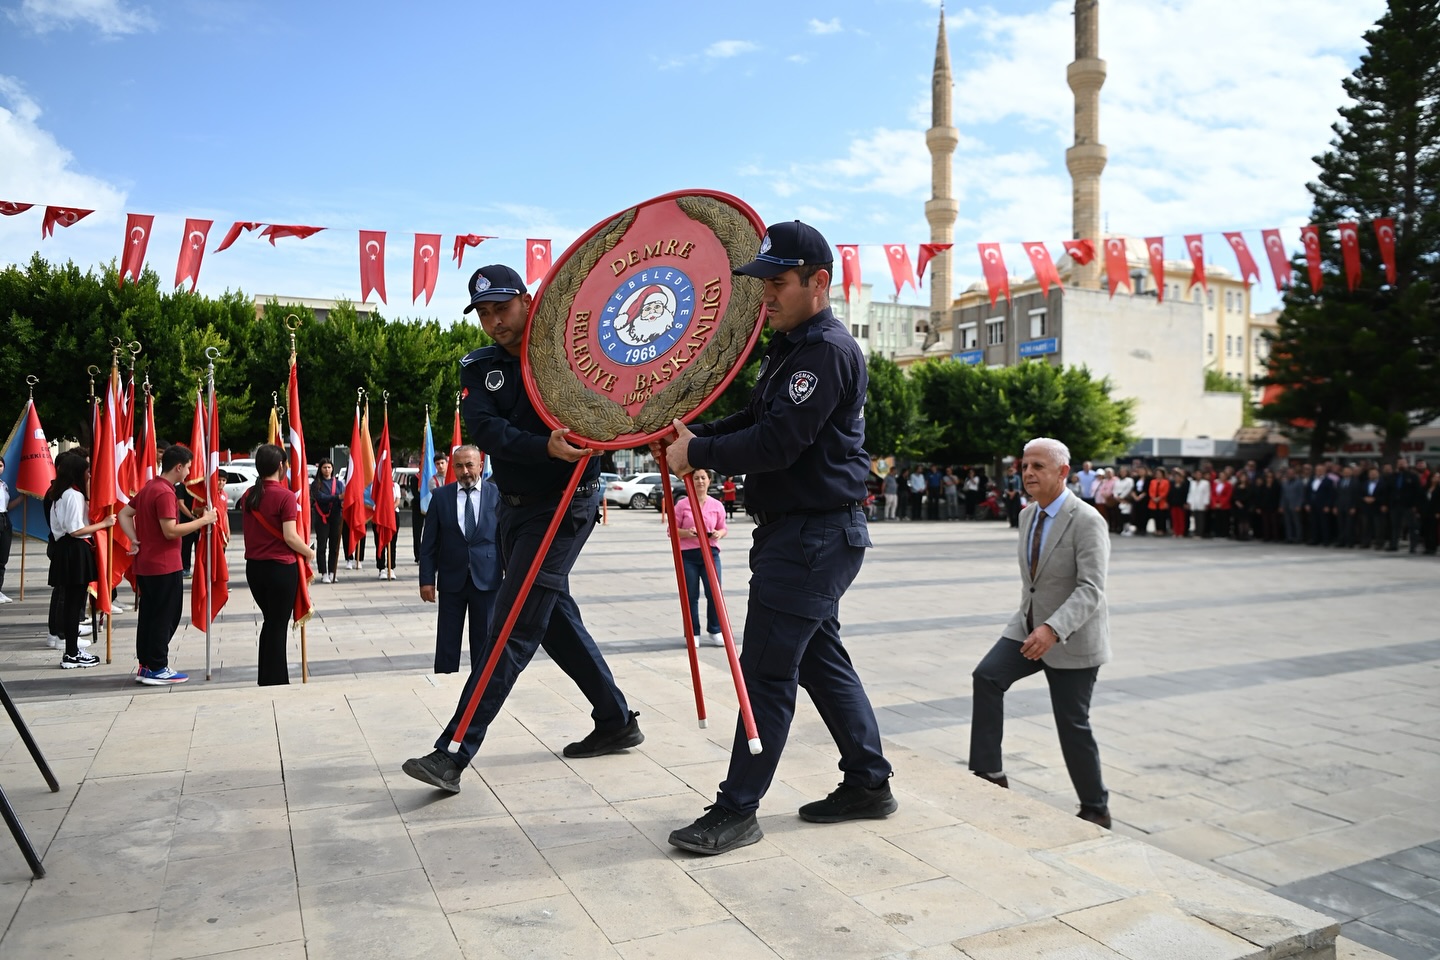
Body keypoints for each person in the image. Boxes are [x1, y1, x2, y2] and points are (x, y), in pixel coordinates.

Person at [662, 220, 895, 856]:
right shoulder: (791, 347)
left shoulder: (825, 351)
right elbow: (756, 417)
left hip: (811, 538)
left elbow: (778, 442)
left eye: (778, 282)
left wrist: (698, 452)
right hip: (805, 535)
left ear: (819, 282)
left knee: (765, 673)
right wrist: (694, 433)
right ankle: (869, 782)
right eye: (762, 282)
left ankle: (736, 810)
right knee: (820, 661)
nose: (765, 294)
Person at [402, 264, 641, 795]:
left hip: (566, 503)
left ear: (529, 301)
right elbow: (485, 430)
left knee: (512, 623)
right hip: (512, 509)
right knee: (551, 617)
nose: (494, 322)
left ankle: (453, 751)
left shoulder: (571, 353)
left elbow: (612, 404)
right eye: (484, 313)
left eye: (503, 309)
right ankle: (616, 719)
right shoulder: (478, 366)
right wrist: (542, 447)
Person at [968, 437, 1112, 829]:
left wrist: (1053, 628)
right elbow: (1033, 586)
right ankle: (989, 774)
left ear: (1063, 472)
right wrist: (1034, 625)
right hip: (1027, 628)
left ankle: (1096, 807)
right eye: (1025, 466)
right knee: (987, 676)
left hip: (1072, 637)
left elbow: (1091, 589)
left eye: (1038, 466)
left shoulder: (1087, 520)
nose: (1028, 473)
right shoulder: (1027, 515)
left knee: (1072, 723)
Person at [117, 444, 217, 684]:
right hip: (164, 565)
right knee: (166, 616)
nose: (190, 473)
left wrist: (134, 539)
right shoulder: (164, 492)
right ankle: (157, 665)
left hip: (147, 564)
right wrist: (204, 521)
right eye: (189, 468)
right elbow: (170, 531)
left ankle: (146, 665)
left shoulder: (151, 486)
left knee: (150, 616)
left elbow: (123, 514)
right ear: (178, 467)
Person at [419, 445, 500, 674]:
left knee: (485, 639)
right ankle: (445, 680)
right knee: (447, 638)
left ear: (480, 466)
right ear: (452, 468)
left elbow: (506, 537)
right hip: (451, 579)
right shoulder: (440, 497)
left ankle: (482, 683)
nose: (464, 471)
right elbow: (429, 543)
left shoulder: (497, 495)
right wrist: (426, 580)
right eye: (459, 466)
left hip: (487, 579)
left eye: (469, 465)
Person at [241, 444, 315, 686]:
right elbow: (290, 537)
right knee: (276, 624)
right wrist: (309, 552)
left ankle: (268, 677)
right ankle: (275, 680)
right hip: (280, 569)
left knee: (271, 621)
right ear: (281, 466)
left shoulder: (248, 495)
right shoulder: (285, 496)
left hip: (254, 569)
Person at [45, 449, 113, 668]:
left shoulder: (61, 493)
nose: (89, 475)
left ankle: (71, 650)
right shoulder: (73, 495)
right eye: (87, 471)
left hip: (66, 549)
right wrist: (104, 524)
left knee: (72, 604)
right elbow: (75, 530)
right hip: (74, 549)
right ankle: (72, 653)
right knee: (74, 604)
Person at [671, 469, 728, 647]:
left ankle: (715, 630)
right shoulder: (682, 505)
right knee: (691, 595)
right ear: (690, 481)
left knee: (714, 593)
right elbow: (671, 530)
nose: (700, 481)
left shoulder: (717, 505)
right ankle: (692, 633)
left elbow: (723, 528)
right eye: (696, 478)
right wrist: (686, 532)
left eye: (703, 478)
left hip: (710, 553)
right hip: (688, 555)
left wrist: (718, 533)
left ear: (709, 480)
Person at [310, 458, 344, 582]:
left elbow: (342, 499)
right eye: (324, 467)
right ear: (320, 469)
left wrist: (342, 502)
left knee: (334, 546)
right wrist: (337, 497)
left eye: (329, 467)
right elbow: (320, 497)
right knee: (322, 546)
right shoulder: (316, 484)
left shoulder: (339, 483)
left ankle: (332, 572)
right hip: (321, 518)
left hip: (336, 517)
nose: (327, 470)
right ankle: (323, 572)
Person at [411, 452, 449, 563]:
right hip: (435, 510)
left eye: (442, 463)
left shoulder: (453, 477)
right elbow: (439, 495)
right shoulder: (432, 480)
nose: (440, 466)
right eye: (438, 464)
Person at [0, 455, 11, 604]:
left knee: (2, 558)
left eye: (1, 465)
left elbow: (7, 505)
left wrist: (22, 498)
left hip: (4, 518)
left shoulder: (4, 485)